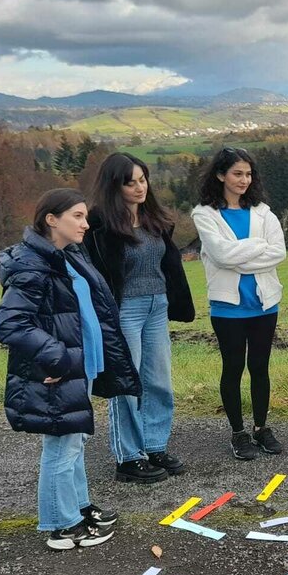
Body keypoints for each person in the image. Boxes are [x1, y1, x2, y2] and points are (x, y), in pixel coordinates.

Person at [0, 188, 141, 551]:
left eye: (85, 216)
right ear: (51, 219)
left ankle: (79, 508)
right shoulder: (32, 264)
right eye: (77, 216)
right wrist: (56, 359)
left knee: (74, 442)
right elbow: (11, 324)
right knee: (61, 446)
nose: (85, 224)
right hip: (58, 369)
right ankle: (62, 526)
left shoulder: (68, 256)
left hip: (80, 366)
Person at [86, 153, 195, 484]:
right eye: (129, 182)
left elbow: (168, 266)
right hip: (125, 311)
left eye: (142, 179)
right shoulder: (99, 226)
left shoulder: (154, 221)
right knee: (127, 383)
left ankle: (154, 445)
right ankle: (129, 457)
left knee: (159, 380)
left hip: (157, 307)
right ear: (113, 185)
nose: (138, 187)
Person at [191, 148, 287, 461]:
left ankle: (261, 428)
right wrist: (258, 247)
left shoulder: (262, 211)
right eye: (237, 174)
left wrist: (241, 255)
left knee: (260, 368)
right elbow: (220, 255)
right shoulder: (205, 214)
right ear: (220, 175)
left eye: (248, 174)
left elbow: (279, 252)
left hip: (264, 304)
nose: (244, 180)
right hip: (227, 308)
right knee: (232, 369)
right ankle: (238, 433)